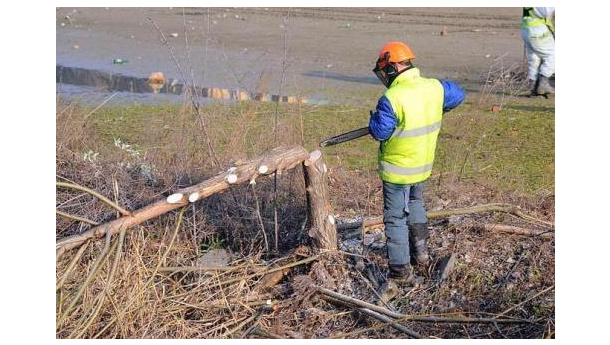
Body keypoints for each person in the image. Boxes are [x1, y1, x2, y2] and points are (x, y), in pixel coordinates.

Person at [369, 41, 465, 285]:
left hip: (397, 171)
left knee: (395, 218)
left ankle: (400, 272)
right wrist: (437, 108)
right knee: (416, 204)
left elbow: (380, 132)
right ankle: (421, 255)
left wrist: (374, 121)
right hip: (423, 165)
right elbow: (458, 95)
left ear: (391, 68)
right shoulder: (433, 88)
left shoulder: (391, 97)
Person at [521, 7, 555, 96]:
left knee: (534, 58)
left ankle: (533, 87)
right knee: (553, 55)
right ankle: (543, 83)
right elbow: (546, 12)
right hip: (538, 31)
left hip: (527, 29)